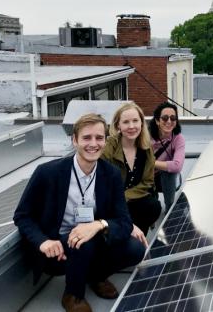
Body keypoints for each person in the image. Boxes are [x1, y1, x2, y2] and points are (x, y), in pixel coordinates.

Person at [13, 113, 147, 312]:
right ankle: (73, 294)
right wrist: (43, 242)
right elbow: (22, 215)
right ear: (74, 140)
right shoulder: (47, 172)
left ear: (105, 141)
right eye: (86, 138)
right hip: (56, 248)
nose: (93, 144)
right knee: (80, 240)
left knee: (136, 248)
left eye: (99, 138)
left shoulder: (110, 174)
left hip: (92, 239)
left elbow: (124, 221)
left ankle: (95, 277)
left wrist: (97, 224)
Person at [102, 102, 162, 236]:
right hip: (111, 202)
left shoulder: (146, 149)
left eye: (135, 121)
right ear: (118, 125)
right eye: (126, 122)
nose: (131, 126)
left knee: (152, 206)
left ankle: (138, 238)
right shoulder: (109, 148)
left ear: (141, 123)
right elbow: (101, 180)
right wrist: (119, 199)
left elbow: (147, 182)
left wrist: (126, 196)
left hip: (132, 200)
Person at [148, 102, 185, 213]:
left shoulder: (178, 138)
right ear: (157, 121)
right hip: (147, 176)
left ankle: (169, 208)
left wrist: (151, 162)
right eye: (164, 118)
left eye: (173, 118)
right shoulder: (146, 137)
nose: (169, 121)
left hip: (165, 179)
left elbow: (177, 166)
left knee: (168, 172)